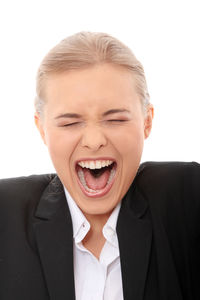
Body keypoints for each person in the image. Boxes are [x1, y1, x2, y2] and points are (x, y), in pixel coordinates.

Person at [0, 31, 199, 300]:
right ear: (42, 129)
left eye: (115, 119)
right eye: (70, 123)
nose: (94, 141)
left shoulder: (187, 198)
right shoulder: (5, 216)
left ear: (147, 122)